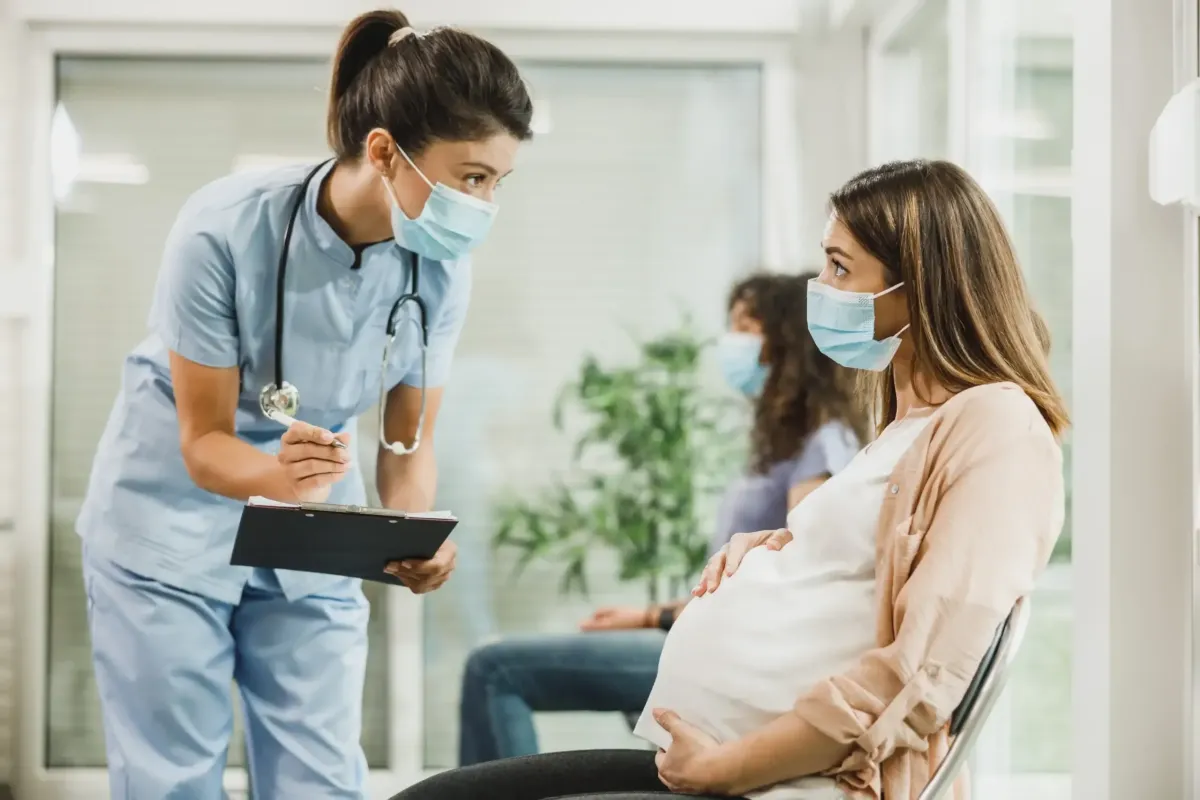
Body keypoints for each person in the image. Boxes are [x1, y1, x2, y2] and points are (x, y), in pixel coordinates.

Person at [392, 159, 1067, 800]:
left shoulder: (998, 425)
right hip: (725, 764)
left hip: (772, 780)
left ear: (919, 286)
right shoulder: (905, 423)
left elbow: (919, 675)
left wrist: (722, 768)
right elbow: (871, 564)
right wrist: (781, 545)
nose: (819, 289)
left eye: (840, 267)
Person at [75, 9, 532, 798]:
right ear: (385, 151)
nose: (486, 203)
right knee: (171, 780)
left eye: (497, 181)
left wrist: (409, 536)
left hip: (315, 527)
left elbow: (407, 445)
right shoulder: (224, 228)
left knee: (319, 780)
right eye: (471, 178)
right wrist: (283, 481)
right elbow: (205, 440)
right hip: (168, 524)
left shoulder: (438, 270)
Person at [457, 272, 868, 766]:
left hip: (734, 654)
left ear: (785, 339)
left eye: (745, 325)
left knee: (495, 670)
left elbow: (793, 573)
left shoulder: (823, 444)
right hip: (711, 637)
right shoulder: (787, 443)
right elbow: (736, 576)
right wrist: (647, 616)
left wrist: (657, 618)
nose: (731, 341)